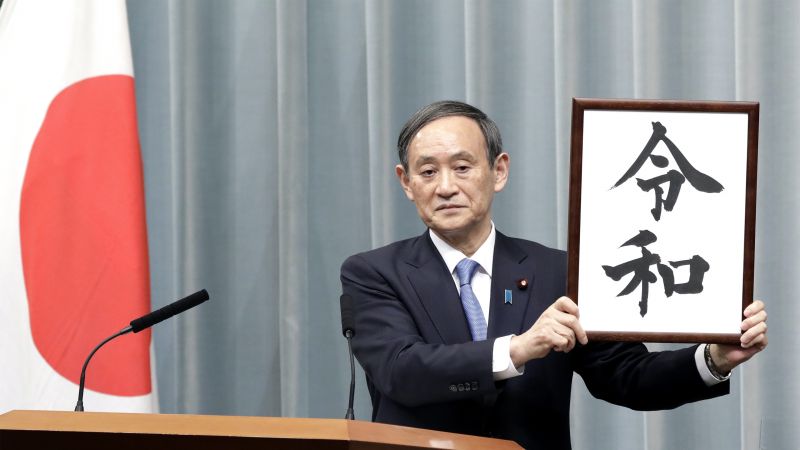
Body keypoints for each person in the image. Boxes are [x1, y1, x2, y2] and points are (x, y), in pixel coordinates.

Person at [340, 100, 767, 450]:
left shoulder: (559, 272)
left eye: (463, 167)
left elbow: (627, 376)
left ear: (499, 171)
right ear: (406, 182)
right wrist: (519, 348)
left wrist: (713, 358)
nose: (446, 186)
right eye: (428, 171)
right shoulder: (373, 273)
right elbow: (402, 371)